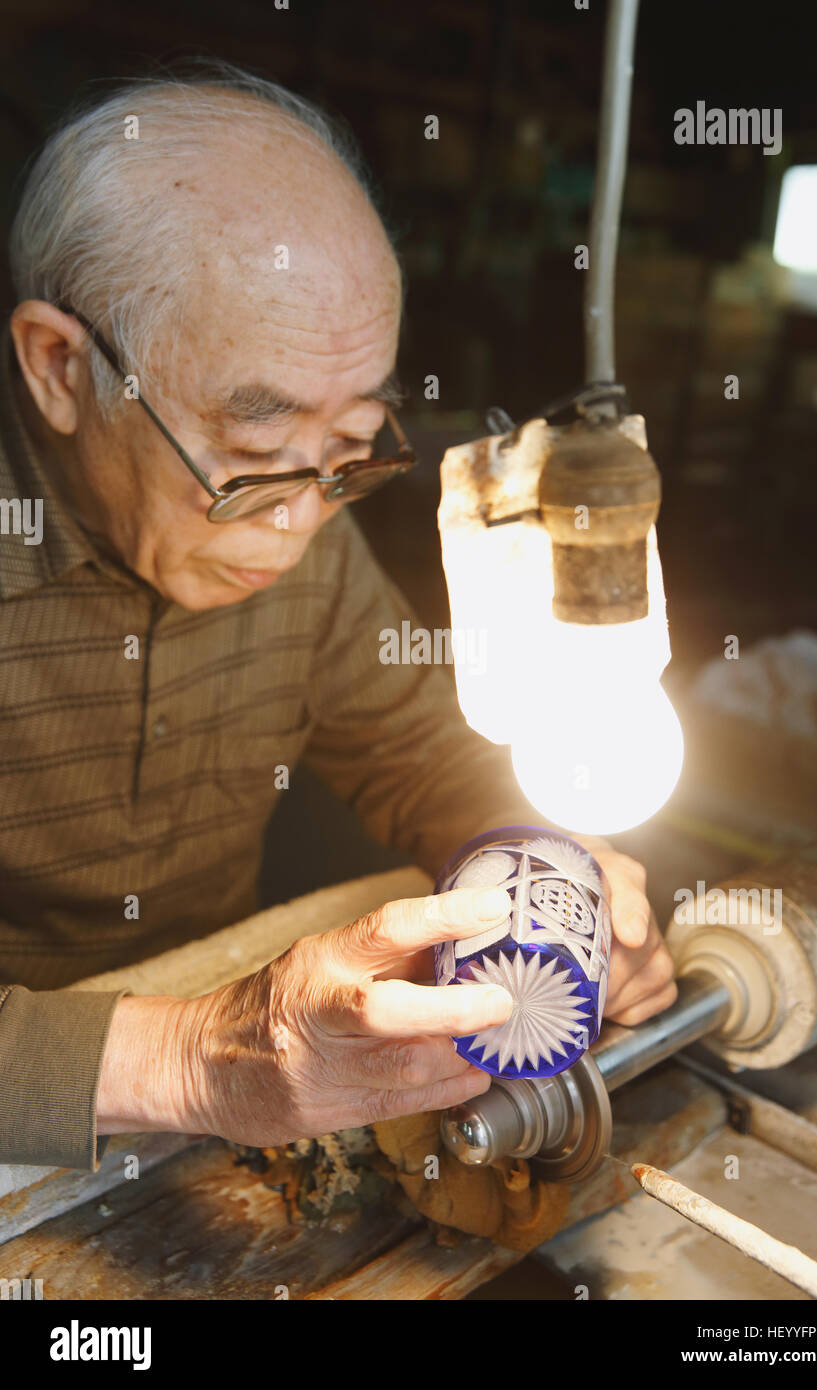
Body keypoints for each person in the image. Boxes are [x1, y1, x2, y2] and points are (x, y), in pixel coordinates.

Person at [0, 62, 676, 1170]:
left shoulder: (303, 515)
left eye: (353, 446)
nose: (302, 523)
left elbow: (421, 753)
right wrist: (193, 1060)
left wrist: (551, 874)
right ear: (62, 368)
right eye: (255, 459)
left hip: (217, 1118)